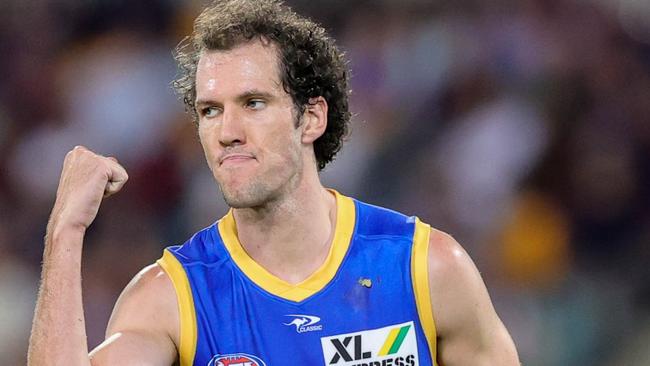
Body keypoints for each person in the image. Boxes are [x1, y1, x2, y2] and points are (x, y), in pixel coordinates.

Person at [27, 0, 520, 365]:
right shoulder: (171, 297)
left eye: (254, 103)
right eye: (210, 110)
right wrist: (64, 233)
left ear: (311, 118)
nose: (227, 132)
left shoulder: (425, 269)